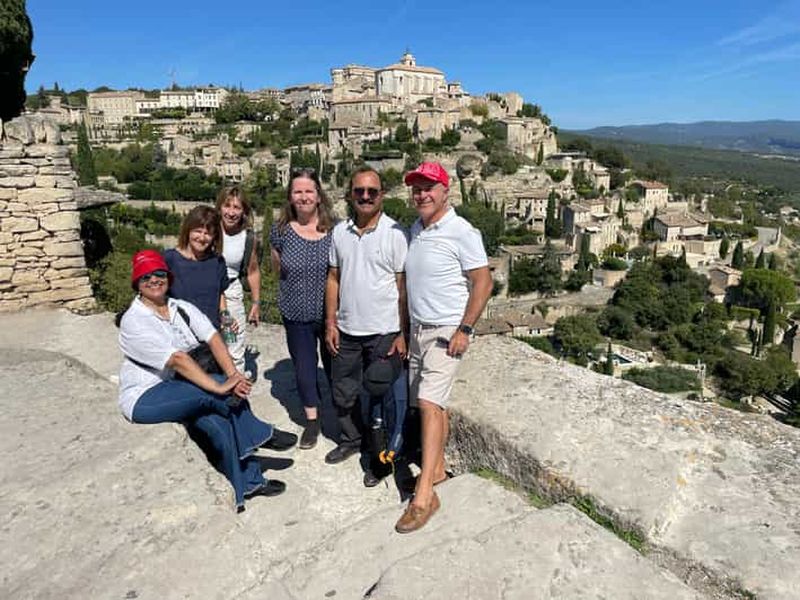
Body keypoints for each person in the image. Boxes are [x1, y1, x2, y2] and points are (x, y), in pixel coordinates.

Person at [117, 250, 296, 512]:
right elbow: (177, 359)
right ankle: (260, 433)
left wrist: (233, 376)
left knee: (221, 423)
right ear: (137, 283)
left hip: (177, 387)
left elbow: (213, 337)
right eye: (146, 277)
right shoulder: (134, 321)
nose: (154, 280)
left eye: (159, 274)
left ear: (168, 277)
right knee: (215, 393)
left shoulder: (180, 308)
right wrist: (219, 385)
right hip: (146, 396)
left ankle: (248, 483)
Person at [395, 162, 492, 533]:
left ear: (445, 190)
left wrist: (465, 328)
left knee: (429, 404)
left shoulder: (462, 231)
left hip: (445, 333)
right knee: (431, 406)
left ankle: (424, 496)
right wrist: (405, 330)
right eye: (416, 188)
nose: (421, 194)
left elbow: (483, 282)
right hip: (419, 331)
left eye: (428, 187)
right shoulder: (416, 230)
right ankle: (436, 471)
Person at [325, 166, 409, 487]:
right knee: (343, 393)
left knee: (381, 401)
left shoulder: (395, 234)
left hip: (383, 333)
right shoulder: (339, 232)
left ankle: (379, 461)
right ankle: (350, 440)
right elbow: (333, 278)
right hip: (346, 329)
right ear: (350, 194)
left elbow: (403, 288)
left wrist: (403, 332)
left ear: (381, 196)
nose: (365, 196)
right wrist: (330, 321)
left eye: (372, 191)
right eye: (359, 191)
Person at [270, 168, 335, 449]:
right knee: (305, 369)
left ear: (319, 195)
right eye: (298, 192)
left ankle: (345, 417)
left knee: (336, 368)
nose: (304, 197)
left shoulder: (336, 229)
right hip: (295, 312)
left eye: (309, 191)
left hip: (331, 313)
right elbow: (277, 267)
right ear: (290, 197)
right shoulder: (281, 231)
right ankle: (312, 420)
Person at [164, 205, 229, 330]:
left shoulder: (217, 261)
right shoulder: (169, 259)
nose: (202, 238)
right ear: (188, 230)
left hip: (211, 334)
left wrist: (226, 318)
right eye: (198, 231)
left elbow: (220, 293)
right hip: (179, 334)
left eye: (208, 233)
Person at [217, 186, 261, 374]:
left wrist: (256, 303)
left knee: (232, 340)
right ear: (219, 207)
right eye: (227, 206)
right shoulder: (208, 230)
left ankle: (235, 392)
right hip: (206, 290)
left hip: (231, 291)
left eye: (237, 207)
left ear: (244, 212)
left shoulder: (247, 238)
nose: (231, 212)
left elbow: (252, 271)